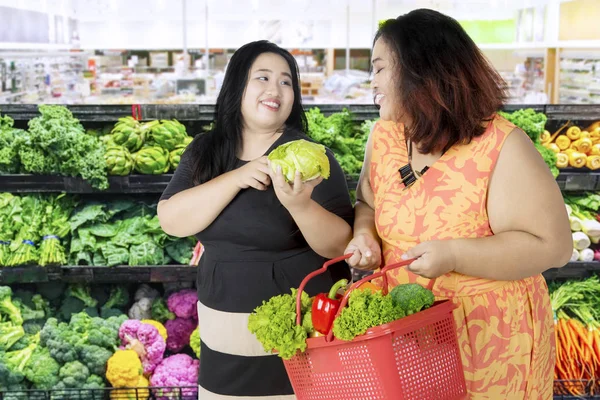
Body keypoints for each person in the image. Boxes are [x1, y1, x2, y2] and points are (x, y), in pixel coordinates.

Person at [344, 9, 571, 399]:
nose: (373, 81)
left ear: (421, 71)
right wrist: (365, 234)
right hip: (405, 333)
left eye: (380, 68)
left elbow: (554, 246)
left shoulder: (502, 145)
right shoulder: (384, 135)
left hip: (489, 344)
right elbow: (367, 200)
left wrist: (453, 254)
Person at [157, 40, 353, 399]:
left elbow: (341, 245)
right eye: (262, 77)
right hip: (222, 346)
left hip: (296, 347)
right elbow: (171, 219)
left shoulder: (309, 156)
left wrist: (301, 206)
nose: (275, 90)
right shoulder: (205, 151)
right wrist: (236, 177)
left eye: (286, 81)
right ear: (237, 85)